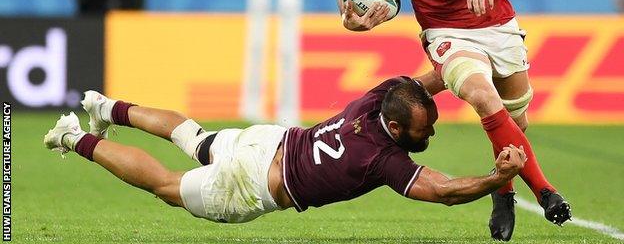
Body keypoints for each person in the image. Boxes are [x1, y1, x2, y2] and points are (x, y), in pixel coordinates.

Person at [336, 0, 571, 240]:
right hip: (445, 33)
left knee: (516, 122)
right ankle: (546, 192)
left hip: (495, 20)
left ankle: (502, 191)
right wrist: (349, 19)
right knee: (482, 96)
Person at [44, 76, 526, 227]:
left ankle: (105, 106)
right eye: (423, 131)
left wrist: (464, 63)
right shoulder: (384, 161)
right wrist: (493, 178)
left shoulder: (380, 96)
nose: (431, 136)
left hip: (268, 140)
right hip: (256, 184)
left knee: (190, 135)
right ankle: (74, 135)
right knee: (165, 186)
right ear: (396, 128)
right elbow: (443, 191)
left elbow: (430, 80)